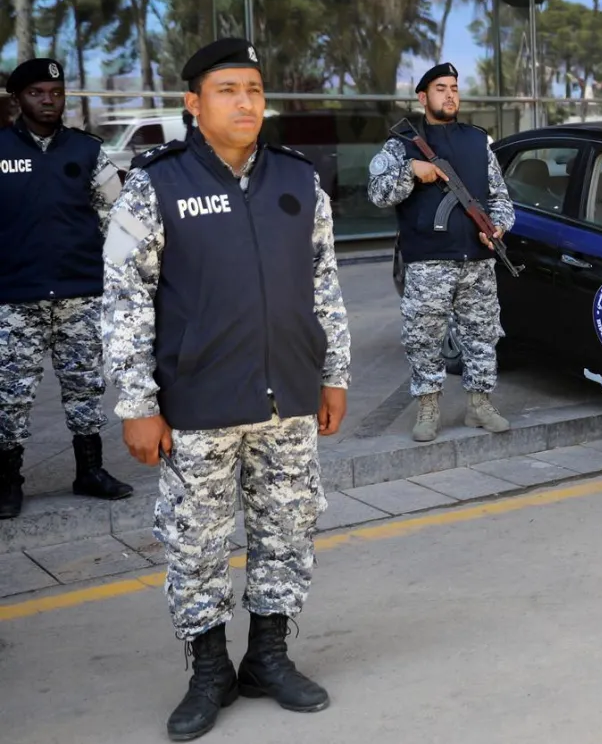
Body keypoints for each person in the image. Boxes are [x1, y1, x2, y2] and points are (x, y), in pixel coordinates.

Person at [102, 38, 351, 740]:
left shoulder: (299, 181)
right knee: (196, 542)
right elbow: (125, 299)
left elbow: (325, 286)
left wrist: (333, 374)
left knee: (287, 530)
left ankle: (268, 657)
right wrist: (137, 404)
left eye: (254, 89)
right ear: (193, 104)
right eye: (227, 90)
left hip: (289, 400)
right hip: (199, 405)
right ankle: (208, 668)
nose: (246, 103)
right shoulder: (157, 185)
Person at [0, 57, 133, 519]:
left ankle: (89, 470)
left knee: (85, 387)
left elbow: (118, 220)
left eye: (56, 93)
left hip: (80, 294)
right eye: (37, 93)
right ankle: (7, 482)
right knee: (10, 394)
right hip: (14, 298)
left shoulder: (87, 151)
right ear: (17, 99)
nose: (49, 101)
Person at [368, 62, 515, 442]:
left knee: (483, 334)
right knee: (424, 337)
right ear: (422, 97)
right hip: (428, 262)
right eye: (440, 88)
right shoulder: (400, 145)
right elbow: (377, 194)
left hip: (476, 262)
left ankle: (479, 405)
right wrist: (410, 171)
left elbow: (500, 197)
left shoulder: (477, 140)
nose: (450, 95)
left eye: (454, 88)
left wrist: (497, 227)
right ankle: (428, 407)